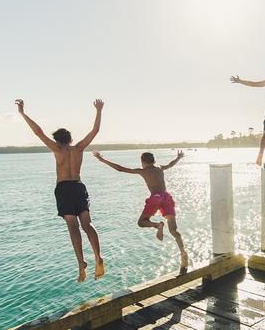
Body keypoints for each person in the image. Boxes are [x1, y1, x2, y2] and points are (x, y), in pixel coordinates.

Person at [16, 98, 105, 282]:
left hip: (64, 189)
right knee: (87, 224)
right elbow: (95, 130)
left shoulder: (57, 149)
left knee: (73, 226)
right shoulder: (79, 148)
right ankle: (98, 256)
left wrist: (23, 113)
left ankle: (81, 262)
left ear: (57, 140)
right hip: (79, 187)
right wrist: (98, 110)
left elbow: (38, 132)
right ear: (71, 139)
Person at [93, 150, 189, 269]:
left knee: (141, 222)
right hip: (166, 198)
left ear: (143, 162)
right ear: (154, 161)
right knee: (174, 230)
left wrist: (102, 160)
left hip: (156, 198)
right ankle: (183, 252)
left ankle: (158, 225)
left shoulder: (143, 171)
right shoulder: (159, 168)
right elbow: (171, 164)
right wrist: (178, 157)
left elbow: (120, 168)